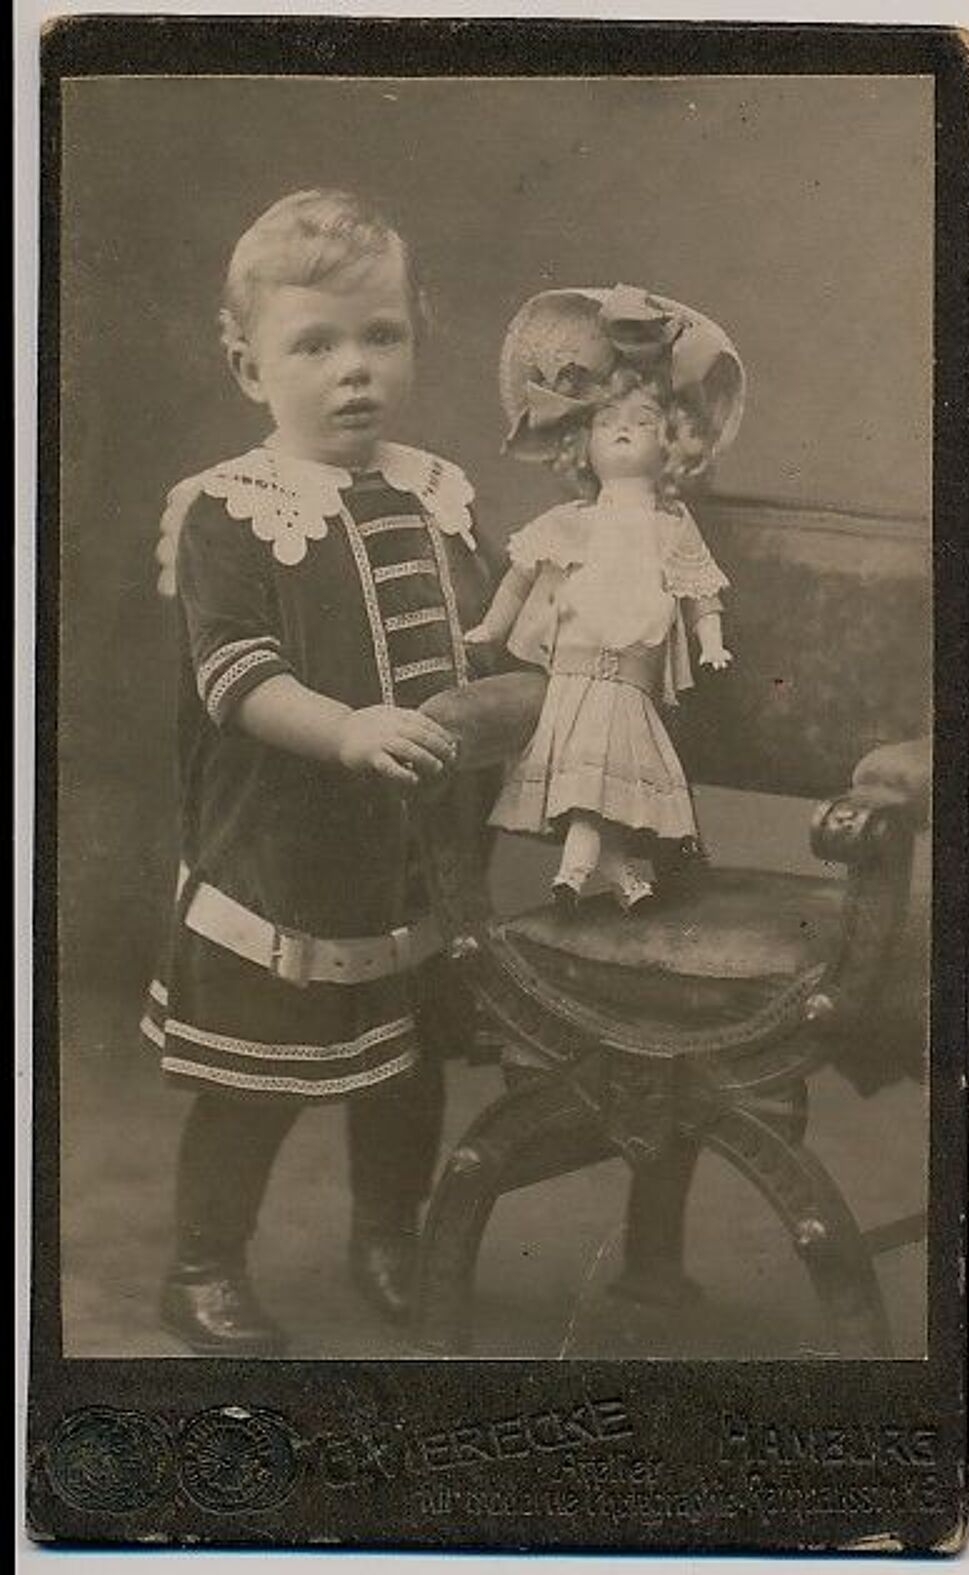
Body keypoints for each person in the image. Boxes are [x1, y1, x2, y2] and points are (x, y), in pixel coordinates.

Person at [142, 188, 491, 1354]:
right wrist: (346, 730)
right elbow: (234, 676)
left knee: (404, 1068)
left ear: (416, 336)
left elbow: (475, 637)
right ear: (249, 368)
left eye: (380, 336)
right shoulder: (231, 513)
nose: (356, 371)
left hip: (408, 857)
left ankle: (388, 1236)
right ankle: (202, 1264)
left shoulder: (438, 494)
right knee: (257, 1078)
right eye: (315, 344)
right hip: (282, 854)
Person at [465, 284, 745, 913]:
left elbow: (701, 591)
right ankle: (611, 877)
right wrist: (490, 627)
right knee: (590, 779)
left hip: (629, 676)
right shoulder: (572, 522)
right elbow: (520, 575)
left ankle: (582, 873)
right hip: (573, 671)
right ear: (582, 443)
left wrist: (713, 642)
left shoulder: (671, 527)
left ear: (671, 442)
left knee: (598, 780)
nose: (622, 432)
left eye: (642, 423)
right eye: (608, 424)